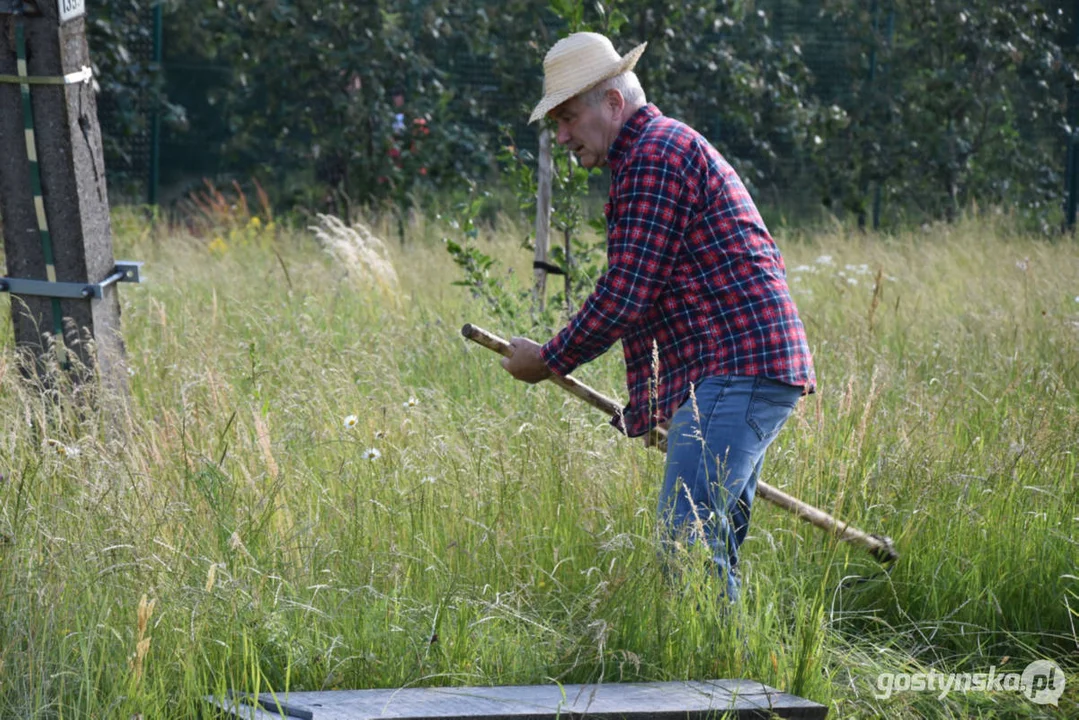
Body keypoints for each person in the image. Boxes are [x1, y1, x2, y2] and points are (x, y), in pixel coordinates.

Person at [500, 32, 816, 602]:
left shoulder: (654, 156)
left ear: (614, 104)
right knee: (707, 546)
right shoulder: (656, 152)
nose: (562, 135)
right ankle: (731, 678)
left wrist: (546, 360)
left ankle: (716, 690)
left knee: (686, 545)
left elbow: (626, 294)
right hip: (741, 371)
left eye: (569, 117)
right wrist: (658, 405)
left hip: (736, 370)